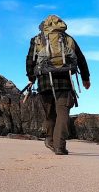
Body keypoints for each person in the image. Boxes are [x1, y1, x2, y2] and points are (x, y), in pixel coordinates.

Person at [26, 15, 90, 155]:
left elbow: (30, 60)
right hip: (64, 81)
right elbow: (81, 59)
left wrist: (31, 78)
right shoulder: (67, 39)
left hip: (44, 82)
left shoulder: (37, 39)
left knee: (50, 115)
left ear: (43, 27)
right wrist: (86, 78)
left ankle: (50, 140)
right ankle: (59, 147)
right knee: (63, 114)